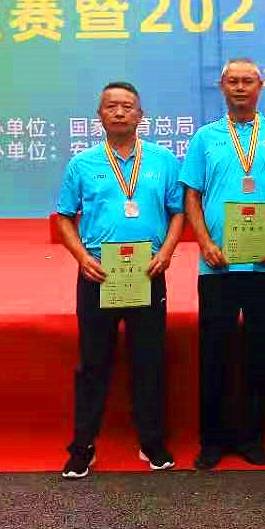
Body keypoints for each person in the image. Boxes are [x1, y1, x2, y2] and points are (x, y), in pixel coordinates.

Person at [56, 82, 184, 479]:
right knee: (93, 363)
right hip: (99, 273)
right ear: (99, 115)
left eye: (127, 106)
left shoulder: (163, 160)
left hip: (148, 272)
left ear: (140, 115)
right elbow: (64, 217)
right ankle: (83, 446)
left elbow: (178, 212)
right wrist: (82, 258)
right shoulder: (82, 164)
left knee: (149, 360)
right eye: (111, 106)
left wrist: (166, 253)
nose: (119, 112)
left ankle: (152, 441)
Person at [180, 58, 265, 469]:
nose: (241, 88)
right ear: (222, 86)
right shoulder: (205, 138)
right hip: (218, 264)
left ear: (260, 86)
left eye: (248, 81)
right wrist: (204, 243)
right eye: (234, 81)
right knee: (215, 352)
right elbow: (191, 196)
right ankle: (212, 441)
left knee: (260, 353)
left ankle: (252, 437)